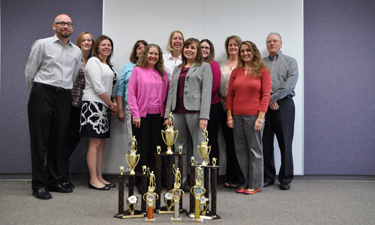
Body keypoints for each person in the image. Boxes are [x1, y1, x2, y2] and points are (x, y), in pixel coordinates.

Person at [25, 14, 81, 200]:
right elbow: (30, 71)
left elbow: (73, 76)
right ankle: (39, 184)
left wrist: (62, 92)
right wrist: (39, 92)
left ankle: (54, 180)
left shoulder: (76, 51)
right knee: (40, 141)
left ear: (72, 27)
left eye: (68, 24)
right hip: (42, 94)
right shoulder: (42, 44)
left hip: (64, 96)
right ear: (54, 26)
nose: (65, 26)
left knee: (58, 140)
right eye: (62, 23)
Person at [164, 38, 213, 188]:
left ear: (197, 51)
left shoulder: (204, 66)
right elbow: (171, 91)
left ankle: (199, 182)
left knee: (199, 146)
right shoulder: (178, 68)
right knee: (179, 147)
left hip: (196, 111)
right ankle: (181, 181)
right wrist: (167, 115)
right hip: (177, 111)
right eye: (187, 47)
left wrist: (204, 116)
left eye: (192, 48)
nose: (189, 50)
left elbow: (206, 92)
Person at [226, 41, 271, 195]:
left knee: (255, 151)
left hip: (254, 116)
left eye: (248, 50)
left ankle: (255, 183)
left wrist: (261, 117)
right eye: (243, 51)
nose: (245, 53)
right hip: (236, 116)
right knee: (241, 151)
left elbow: (266, 95)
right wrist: (229, 115)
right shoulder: (236, 71)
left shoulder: (263, 71)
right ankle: (246, 182)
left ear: (254, 52)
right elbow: (230, 94)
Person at [127, 44, 169, 194]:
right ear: (145, 54)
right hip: (141, 117)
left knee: (156, 149)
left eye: (156, 54)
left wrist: (166, 116)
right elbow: (131, 93)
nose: (153, 56)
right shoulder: (137, 71)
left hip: (158, 117)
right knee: (142, 149)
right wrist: (135, 114)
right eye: (151, 53)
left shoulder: (163, 73)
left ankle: (154, 180)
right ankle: (140, 181)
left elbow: (168, 96)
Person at [80, 35, 118, 190]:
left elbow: (111, 87)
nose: (106, 47)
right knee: (94, 143)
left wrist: (113, 102)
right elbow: (97, 86)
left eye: (109, 45)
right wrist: (111, 104)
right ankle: (93, 179)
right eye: (103, 44)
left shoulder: (108, 65)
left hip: (105, 106)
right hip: (92, 105)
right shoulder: (93, 61)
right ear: (97, 47)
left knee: (101, 143)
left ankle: (100, 176)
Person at [262, 32, 299, 191]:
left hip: (284, 105)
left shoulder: (290, 61)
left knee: (285, 142)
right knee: (266, 143)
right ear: (266, 44)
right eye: (269, 41)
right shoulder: (261, 63)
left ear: (281, 44)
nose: (272, 43)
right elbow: (257, 83)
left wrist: (273, 98)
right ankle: (268, 177)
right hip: (264, 105)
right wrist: (268, 100)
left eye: (275, 41)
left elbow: (290, 84)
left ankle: (285, 178)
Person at [61, 32, 95, 189]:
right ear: (79, 42)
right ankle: (61, 176)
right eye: (84, 40)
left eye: (89, 40)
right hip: (68, 103)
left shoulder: (94, 61)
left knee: (73, 140)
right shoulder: (74, 57)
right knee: (63, 141)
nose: (87, 42)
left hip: (83, 106)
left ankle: (58, 174)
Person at [219, 35, 244, 189]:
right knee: (229, 144)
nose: (233, 47)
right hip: (223, 108)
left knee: (240, 144)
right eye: (230, 45)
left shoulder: (244, 65)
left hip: (241, 109)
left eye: (235, 45)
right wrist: (223, 103)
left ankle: (241, 177)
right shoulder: (221, 66)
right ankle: (230, 176)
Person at [115, 40, 148, 150]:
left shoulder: (152, 68)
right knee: (133, 140)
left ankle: (146, 167)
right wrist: (120, 110)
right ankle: (132, 167)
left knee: (146, 141)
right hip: (131, 108)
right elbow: (120, 89)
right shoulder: (128, 67)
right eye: (139, 48)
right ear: (135, 52)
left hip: (148, 109)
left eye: (144, 48)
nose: (142, 50)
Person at [200, 39, 221, 167]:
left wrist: (200, 101)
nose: (204, 50)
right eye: (201, 47)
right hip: (199, 108)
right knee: (201, 142)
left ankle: (212, 175)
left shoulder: (213, 64)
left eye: (207, 47)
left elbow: (215, 86)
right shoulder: (195, 65)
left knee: (211, 140)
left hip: (212, 107)